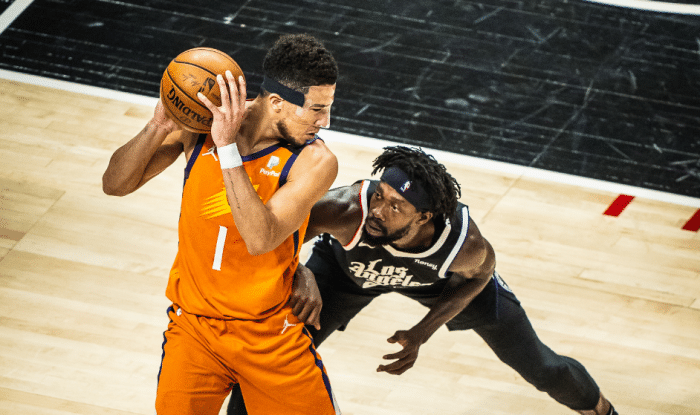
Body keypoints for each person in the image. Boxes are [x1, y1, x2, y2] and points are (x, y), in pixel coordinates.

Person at [227, 146, 619, 415]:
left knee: (542, 366)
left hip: (440, 284)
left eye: (396, 206)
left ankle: (601, 410)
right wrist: (302, 272)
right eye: (380, 195)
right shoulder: (345, 209)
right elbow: (274, 237)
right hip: (345, 273)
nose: (379, 210)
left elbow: (480, 277)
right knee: (270, 358)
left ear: (424, 218)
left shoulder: (464, 245)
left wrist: (422, 331)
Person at [102, 34, 342, 415]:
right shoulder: (201, 125)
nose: (324, 121)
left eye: (327, 109)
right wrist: (158, 125)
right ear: (276, 102)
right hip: (195, 327)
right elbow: (114, 184)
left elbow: (260, 238)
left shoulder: (315, 162)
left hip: (267, 334)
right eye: (316, 109)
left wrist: (227, 147)